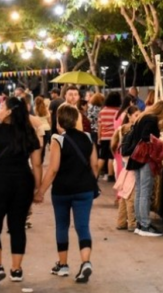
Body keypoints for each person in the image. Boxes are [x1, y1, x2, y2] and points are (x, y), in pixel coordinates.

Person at [34, 104, 98, 283]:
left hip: (62, 191)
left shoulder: (58, 140)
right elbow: (95, 165)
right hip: (84, 189)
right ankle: (85, 262)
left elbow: (53, 170)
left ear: (59, 121)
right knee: (82, 226)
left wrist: (40, 192)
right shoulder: (87, 137)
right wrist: (90, 181)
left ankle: (63, 265)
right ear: (76, 119)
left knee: (62, 226)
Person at [0, 97, 42, 282]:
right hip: (23, 182)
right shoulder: (28, 132)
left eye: (2, 106)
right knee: (17, 227)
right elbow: (37, 164)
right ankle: (16, 270)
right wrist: (38, 188)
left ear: (9, 111)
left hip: (0, 180)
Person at [126, 101, 163, 237]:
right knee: (145, 191)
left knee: (140, 191)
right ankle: (145, 224)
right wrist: (159, 142)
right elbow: (147, 137)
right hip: (145, 158)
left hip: (136, 158)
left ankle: (140, 223)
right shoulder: (151, 120)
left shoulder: (142, 117)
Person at [111, 106, 141, 232]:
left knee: (124, 197)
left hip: (125, 171)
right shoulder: (131, 132)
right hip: (131, 170)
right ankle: (132, 223)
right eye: (136, 115)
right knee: (130, 198)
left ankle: (121, 221)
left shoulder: (122, 131)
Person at [98, 92, 121, 182]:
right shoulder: (118, 111)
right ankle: (111, 175)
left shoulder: (102, 111)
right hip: (114, 137)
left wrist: (99, 137)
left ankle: (95, 175)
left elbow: (100, 125)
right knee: (112, 156)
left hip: (104, 136)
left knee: (102, 156)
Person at [34, 96, 51, 163]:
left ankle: (38, 159)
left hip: (39, 129)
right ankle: (42, 160)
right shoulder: (46, 109)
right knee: (44, 146)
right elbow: (49, 120)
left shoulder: (35, 109)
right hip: (47, 128)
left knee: (39, 145)